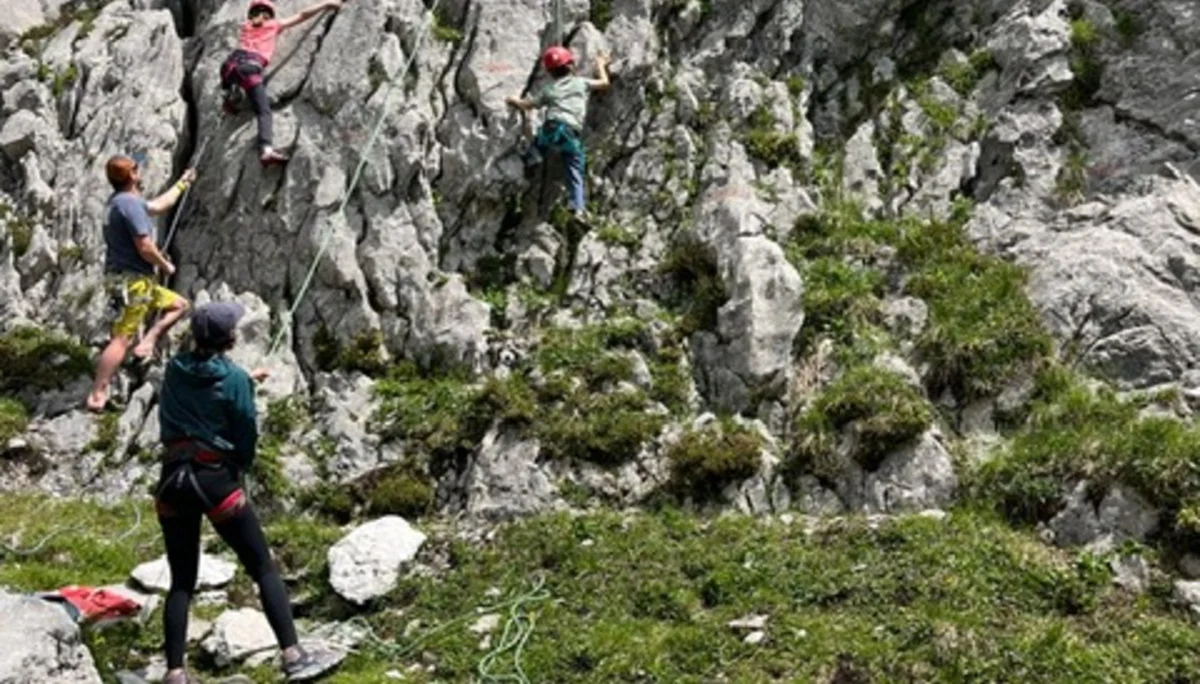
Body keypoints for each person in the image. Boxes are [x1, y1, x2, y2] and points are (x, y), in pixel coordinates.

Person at [155, 301, 336, 683]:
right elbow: (245, 432)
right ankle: (292, 654)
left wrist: (244, 382)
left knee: (182, 581)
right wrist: (241, 462)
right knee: (261, 566)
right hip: (215, 481)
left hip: (173, 479)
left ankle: (174, 674)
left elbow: (196, 397)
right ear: (230, 338)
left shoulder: (174, 368)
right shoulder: (233, 378)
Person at [85, 155, 194, 413]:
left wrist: (182, 184)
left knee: (179, 304)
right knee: (122, 339)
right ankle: (98, 392)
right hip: (133, 283)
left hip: (127, 280)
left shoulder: (117, 203)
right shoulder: (130, 205)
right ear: (132, 175)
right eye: (136, 168)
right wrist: (164, 265)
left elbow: (157, 206)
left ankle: (148, 342)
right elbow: (144, 246)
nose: (139, 171)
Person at [220, 0, 347, 165]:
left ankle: (228, 97)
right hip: (249, 68)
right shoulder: (273, 25)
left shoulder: (246, 26)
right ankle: (266, 150)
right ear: (270, 15)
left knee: (232, 79)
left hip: (228, 67)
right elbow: (302, 15)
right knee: (263, 111)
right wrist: (326, 4)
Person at [505, 46, 611, 219]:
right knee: (574, 169)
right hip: (570, 133)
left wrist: (514, 100)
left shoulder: (550, 89)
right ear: (571, 65)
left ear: (549, 72)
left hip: (551, 128)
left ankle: (533, 157)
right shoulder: (581, 83)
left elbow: (528, 105)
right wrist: (600, 64)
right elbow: (604, 83)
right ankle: (577, 207)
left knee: (538, 144)